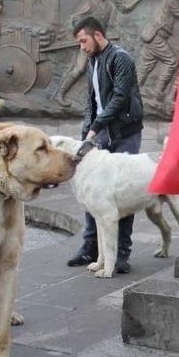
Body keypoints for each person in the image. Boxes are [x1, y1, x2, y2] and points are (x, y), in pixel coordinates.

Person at [65, 16, 143, 272]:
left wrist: (96, 126)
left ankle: (121, 254)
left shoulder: (121, 58)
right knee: (92, 191)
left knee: (125, 191)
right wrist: (87, 130)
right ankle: (91, 248)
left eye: (83, 40)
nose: (82, 47)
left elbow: (120, 97)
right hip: (99, 135)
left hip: (124, 132)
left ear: (98, 35)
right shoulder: (93, 60)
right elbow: (92, 101)